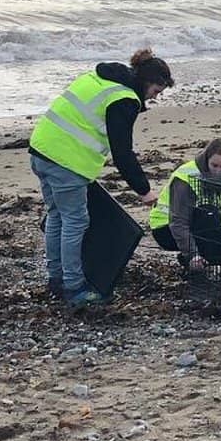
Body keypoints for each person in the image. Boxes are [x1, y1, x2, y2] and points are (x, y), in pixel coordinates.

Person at [29, 49, 174, 307]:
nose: (154, 98)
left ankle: (55, 279)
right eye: (156, 91)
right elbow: (122, 153)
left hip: (41, 148)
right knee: (75, 221)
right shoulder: (124, 99)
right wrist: (144, 191)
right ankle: (74, 288)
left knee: (56, 216)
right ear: (147, 82)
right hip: (66, 161)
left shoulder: (98, 78)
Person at [149, 138, 221, 273]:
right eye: (214, 166)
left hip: (206, 225)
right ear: (206, 161)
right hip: (166, 229)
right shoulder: (186, 177)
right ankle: (193, 259)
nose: (218, 171)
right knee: (209, 213)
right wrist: (192, 254)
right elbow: (178, 223)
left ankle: (199, 257)